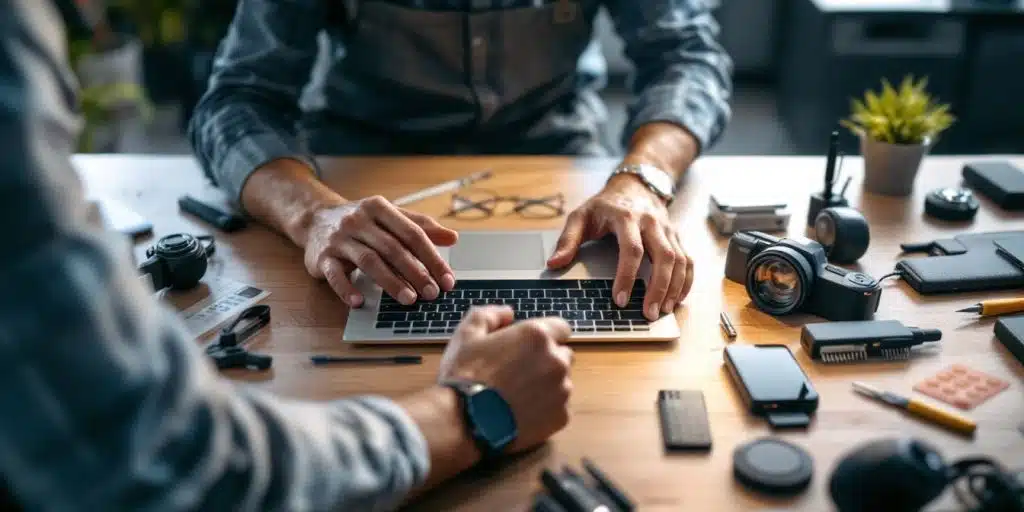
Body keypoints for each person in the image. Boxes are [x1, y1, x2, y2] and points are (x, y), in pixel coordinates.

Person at [0, 1, 574, 509]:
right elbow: (166, 468)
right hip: (347, 182)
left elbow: (669, 53)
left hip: (569, 176)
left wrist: (639, 177)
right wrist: (473, 410)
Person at [189, 0, 733, 322]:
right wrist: (312, 214)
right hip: (361, 191)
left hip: (565, 173)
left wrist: (642, 178)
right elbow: (237, 99)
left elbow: (686, 57)